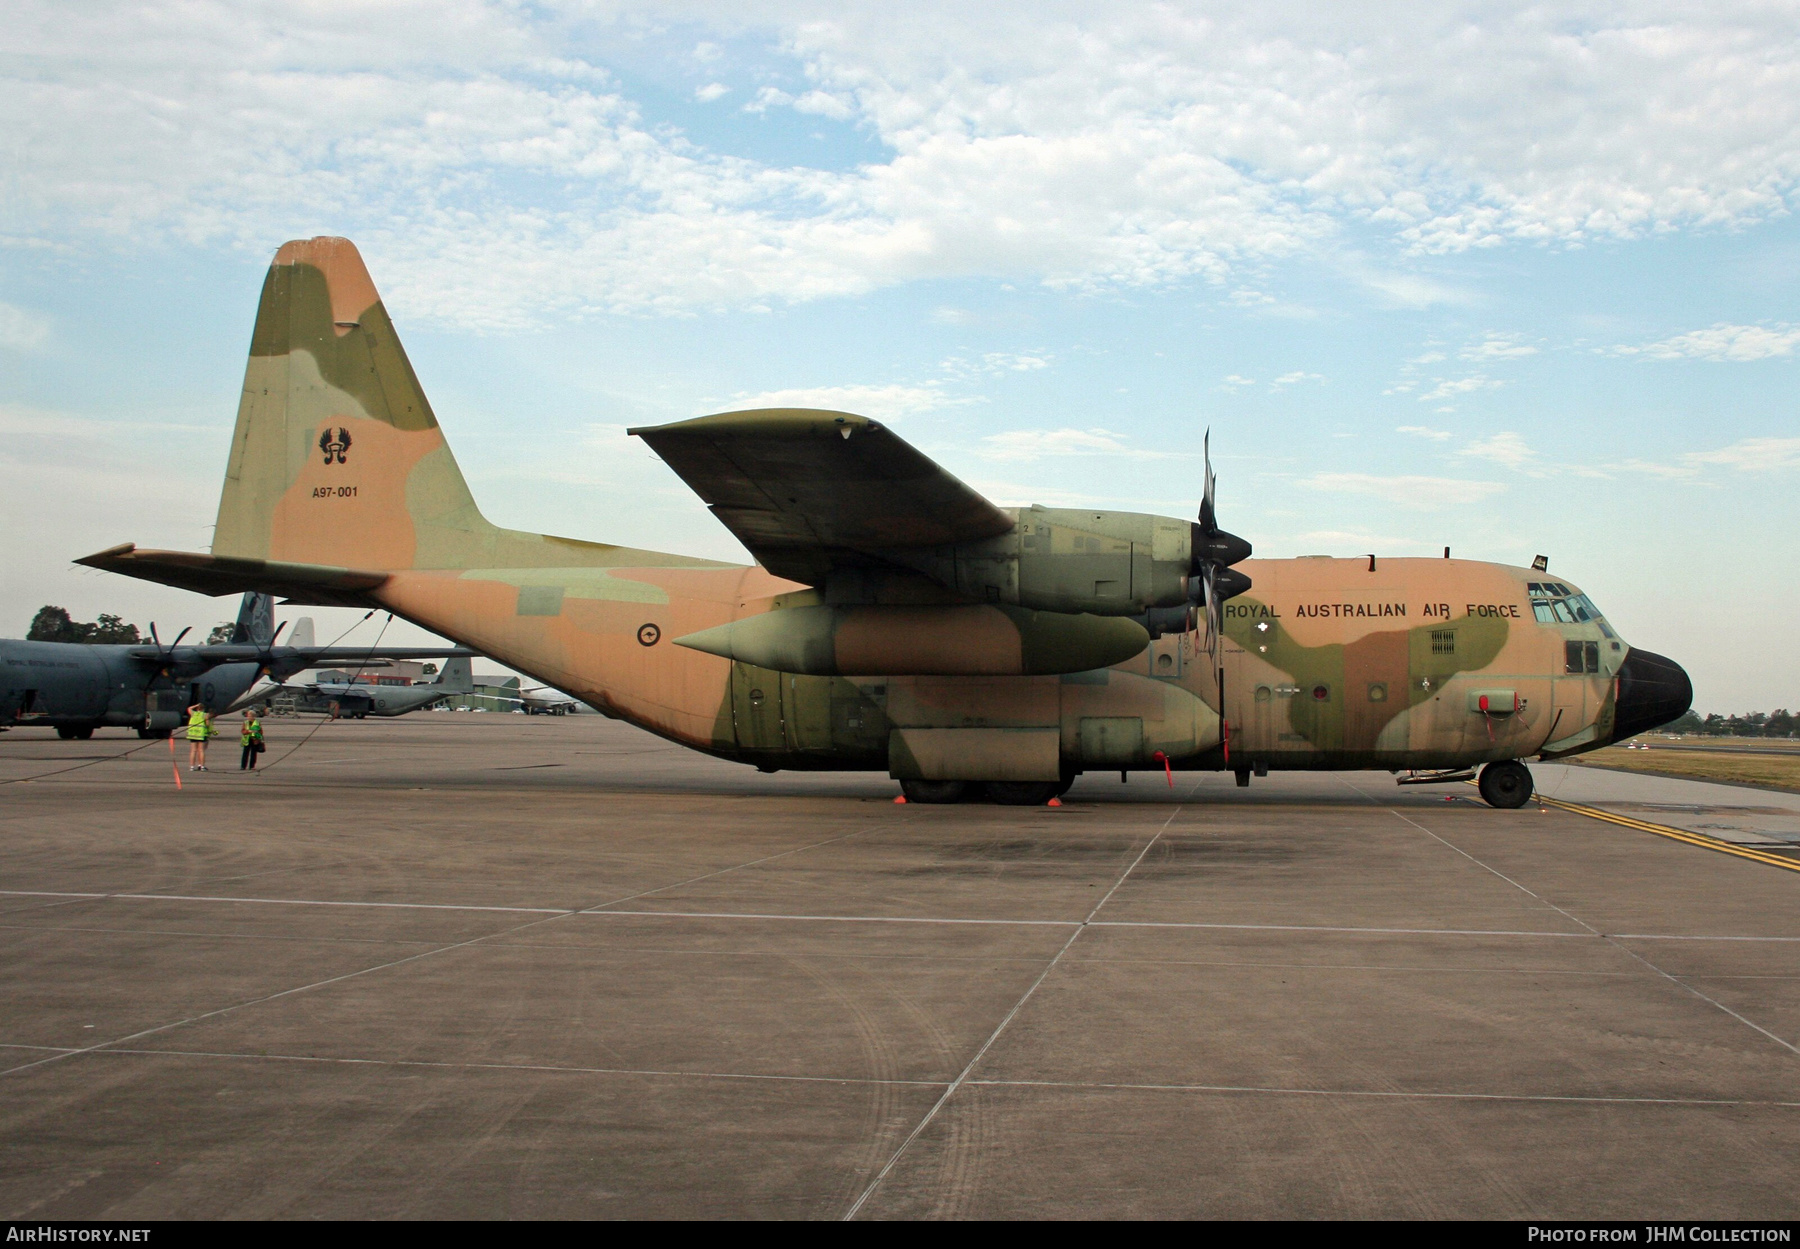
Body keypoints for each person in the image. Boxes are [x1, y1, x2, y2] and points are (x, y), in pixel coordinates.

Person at [185, 702, 212, 771]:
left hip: (193, 734)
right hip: (201, 734)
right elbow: (208, 724)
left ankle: (192, 767)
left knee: (193, 751)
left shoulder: (193, 713)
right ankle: (202, 766)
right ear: (203, 709)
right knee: (201, 750)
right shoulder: (205, 715)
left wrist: (196, 705)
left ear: (197, 708)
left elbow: (189, 708)